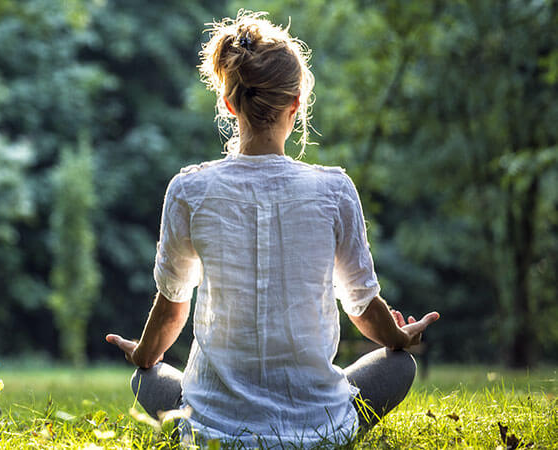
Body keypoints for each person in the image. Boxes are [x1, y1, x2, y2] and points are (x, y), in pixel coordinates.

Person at [104, 10, 440, 448]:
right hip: (320, 429)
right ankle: (325, 429)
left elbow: (172, 309)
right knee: (399, 365)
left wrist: (143, 354)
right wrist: (397, 336)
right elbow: (361, 306)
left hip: (213, 433)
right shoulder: (334, 190)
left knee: (144, 378)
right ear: (296, 103)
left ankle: (212, 421)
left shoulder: (189, 190)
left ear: (229, 104)